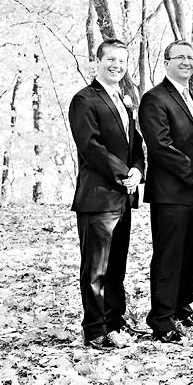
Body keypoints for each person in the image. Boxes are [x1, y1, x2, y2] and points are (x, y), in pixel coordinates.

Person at [139, 40, 193, 344]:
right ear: (166, 62)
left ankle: (182, 308)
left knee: (191, 253)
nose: (186, 61)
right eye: (179, 57)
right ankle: (161, 319)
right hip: (171, 191)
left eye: (190, 56)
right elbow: (160, 146)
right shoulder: (154, 98)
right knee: (169, 255)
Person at [69, 38, 145, 350]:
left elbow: (135, 143)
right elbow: (90, 146)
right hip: (98, 197)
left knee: (116, 268)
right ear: (96, 62)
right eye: (110, 60)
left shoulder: (125, 99)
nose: (116, 65)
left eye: (122, 61)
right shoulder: (85, 99)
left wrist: (138, 170)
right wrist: (123, 173)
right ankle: (95, 331)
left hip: (124, 196)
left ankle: (115, 323)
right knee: (96, 269)